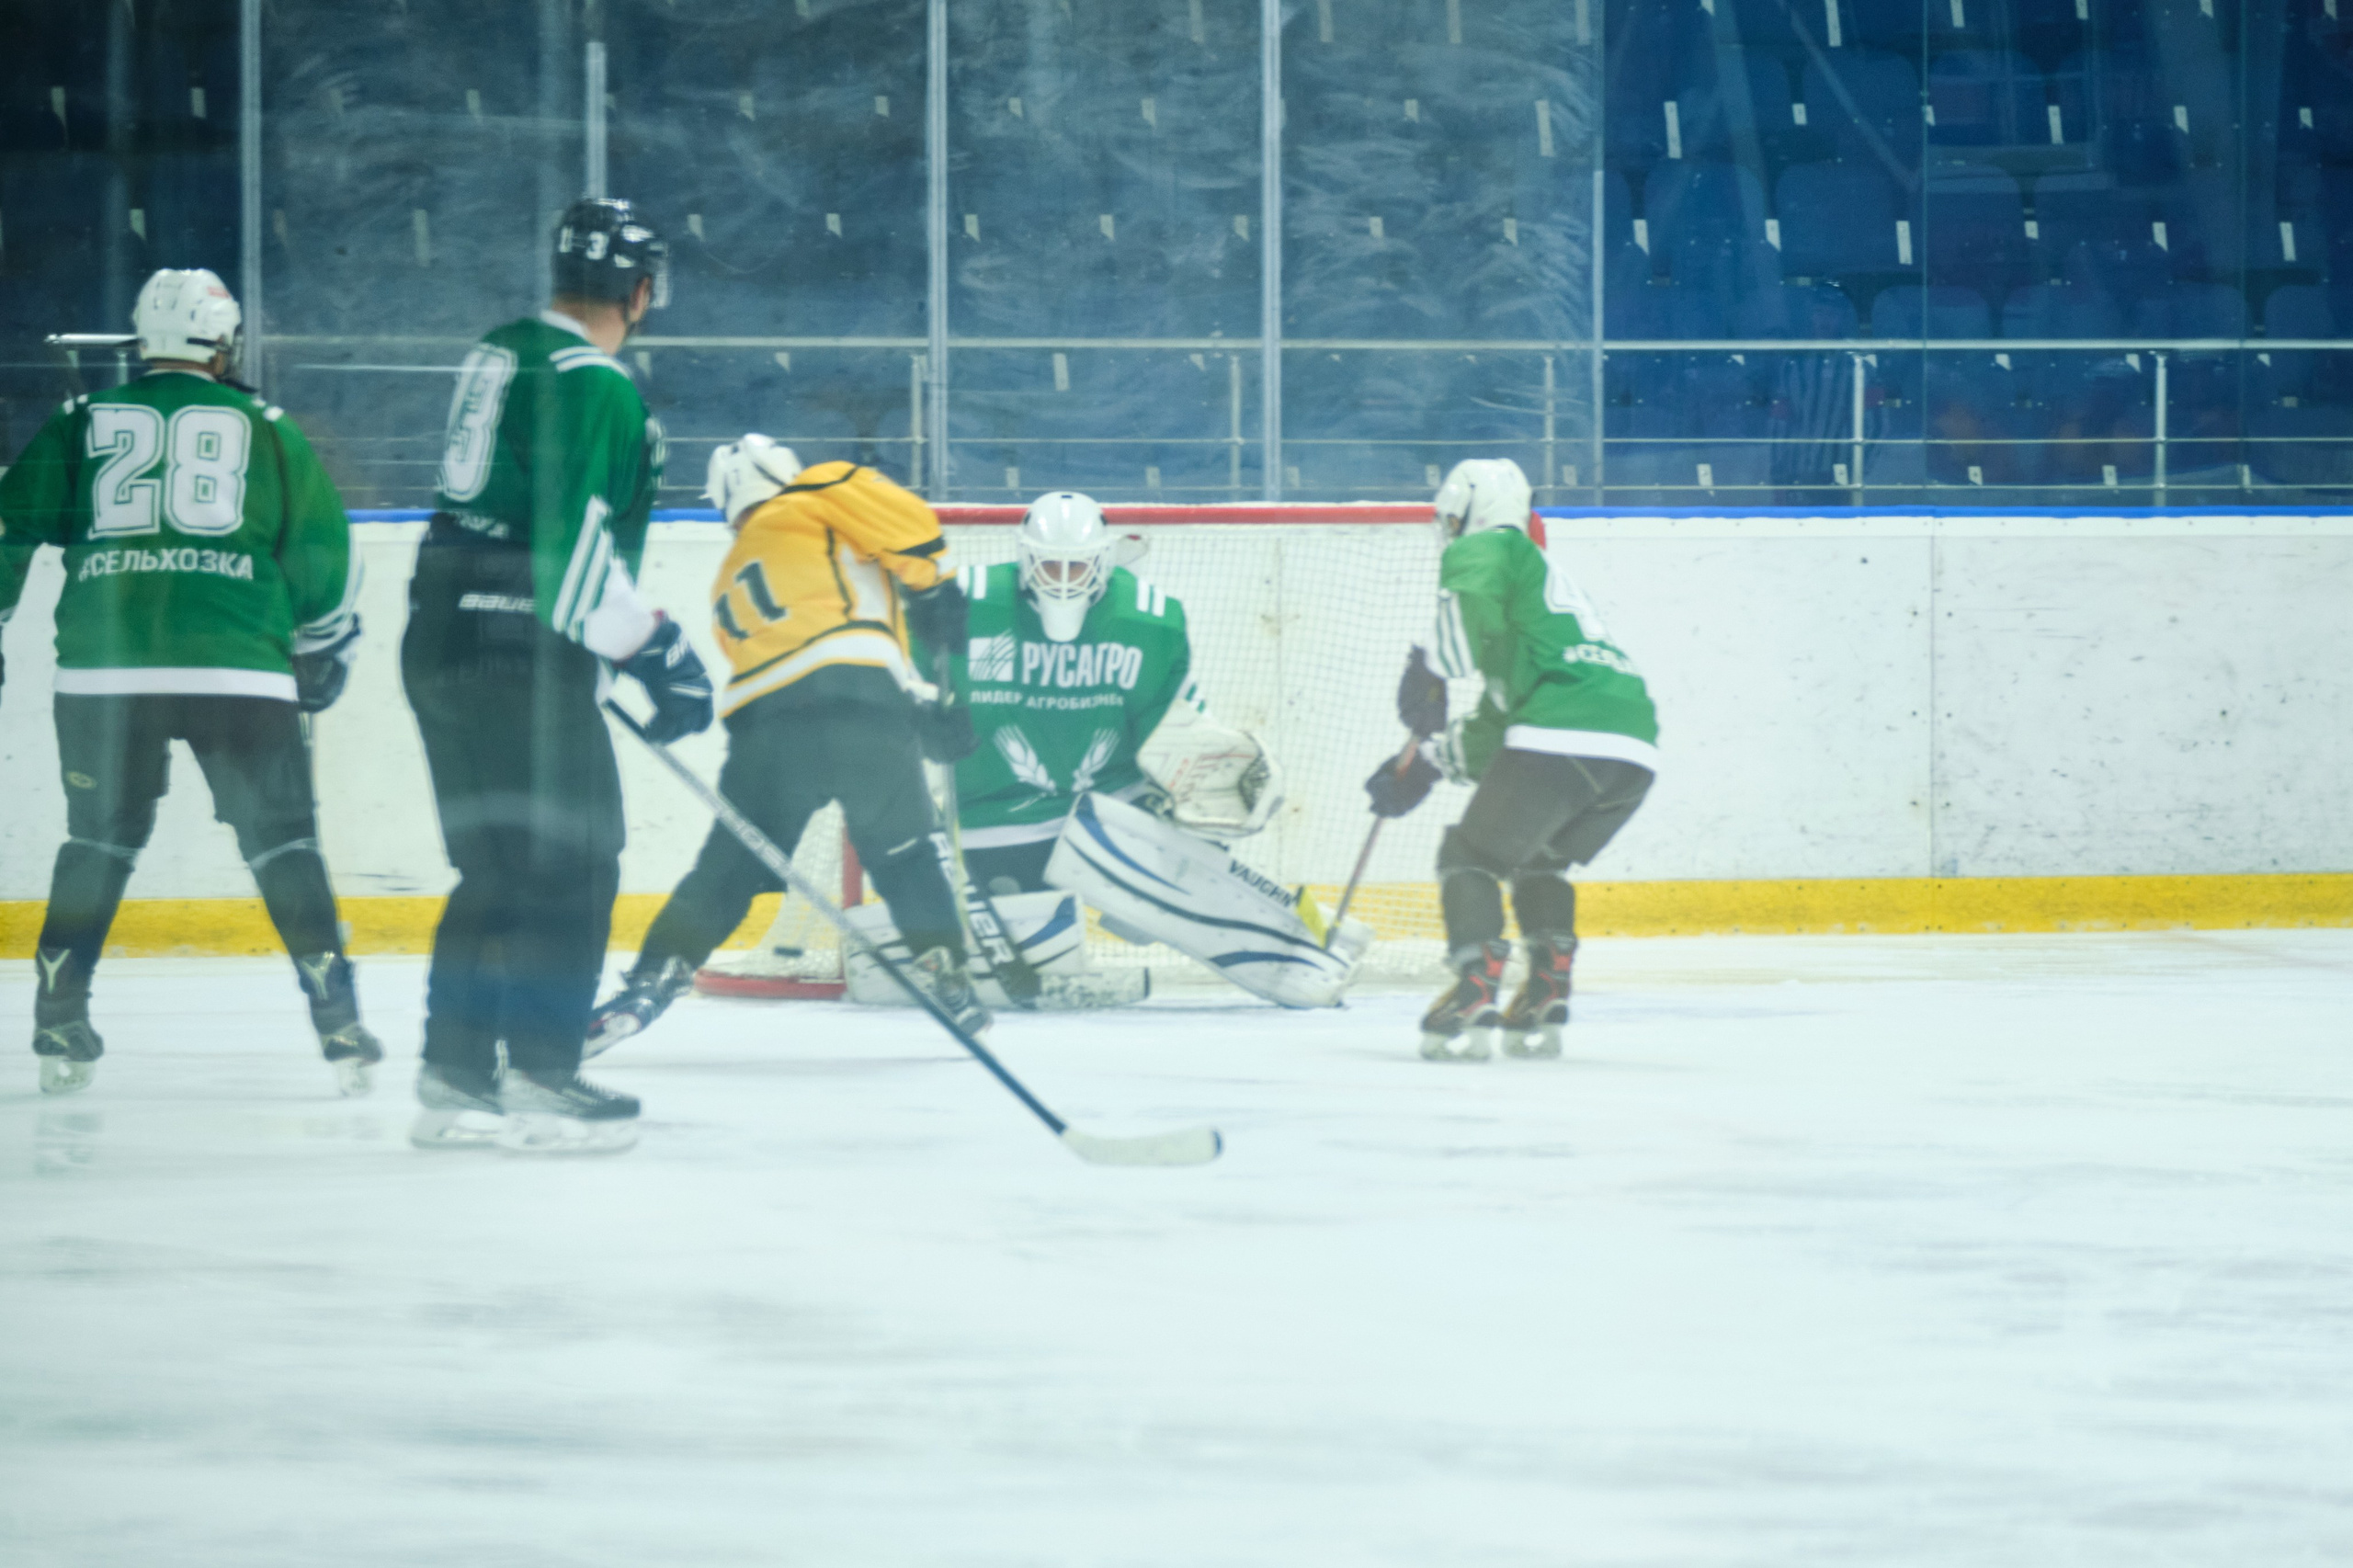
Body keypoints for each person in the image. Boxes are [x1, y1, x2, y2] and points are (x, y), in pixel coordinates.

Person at [0, 267, 380, 1096]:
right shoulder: (268, 426)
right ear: (225, 344)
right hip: (237, 667)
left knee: (98, 839)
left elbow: (10, 526)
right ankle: (338, 1017)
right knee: (282, 843)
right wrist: (320, 646)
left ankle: (59, 1012)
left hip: (106, 672)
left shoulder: (81, 420)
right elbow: (324, 555)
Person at [402, 199, 712, 1154]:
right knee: (577, 860)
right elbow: (571, 550)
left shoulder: (498, 349)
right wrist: (657, 653)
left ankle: (455, 1073)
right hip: (520, 644)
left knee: (494, 862)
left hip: (440, 632)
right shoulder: (596, 383)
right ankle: (540, 1068)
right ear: (643, 290)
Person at [583, 436, 984, 1053]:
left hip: (765, 728)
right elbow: (912, 532)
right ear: (782, 471)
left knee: (732, 866)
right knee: (905, 849)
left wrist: (916, 696)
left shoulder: (731, 573)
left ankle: (654, 977)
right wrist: (936, 594)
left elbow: (806, 642)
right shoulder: (819, 490)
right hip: (859, 706)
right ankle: (944, 964)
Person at [913, 492, 1367, 1010]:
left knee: (1193, 866)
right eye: (1050, 565)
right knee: (1030, 935)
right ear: (1024, 556)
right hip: (996, 818)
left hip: (1108, 812)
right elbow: (903, 683)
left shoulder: (1150, 621)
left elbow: (1178, 732)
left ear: (1105, 557)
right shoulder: (963, 604)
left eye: (1077, 565)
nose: (1063, 579)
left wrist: (1217, 774)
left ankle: (1310, 949)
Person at [1364, 458, 1660, 1061]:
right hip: (1631, 748)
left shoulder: (1491, 544)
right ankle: (1547, 987)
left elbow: (1462, 616)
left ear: (1468, 509)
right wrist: (1432, 762)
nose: (1447, 530)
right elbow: (1503, 722)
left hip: (1564, 734)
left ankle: (1475, 989)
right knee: (1538, 863)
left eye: (1450, 518)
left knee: (1468, 857)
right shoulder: (1540, 601)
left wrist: (1431, 667)